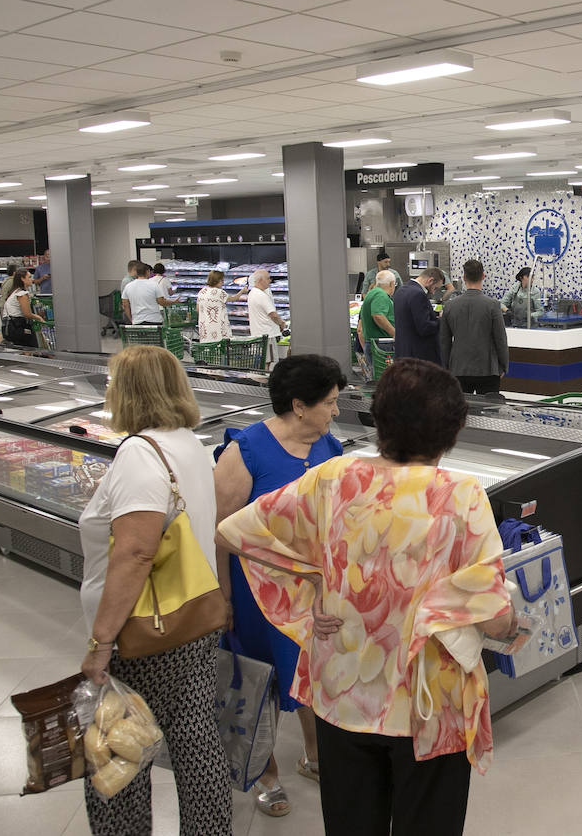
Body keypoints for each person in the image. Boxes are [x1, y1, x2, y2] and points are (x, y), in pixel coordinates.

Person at [217, 359, 517, 836]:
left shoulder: (333, 476)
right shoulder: (460, 495)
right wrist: (512, 623)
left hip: (342, 690)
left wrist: (313, 582)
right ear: (448, 431)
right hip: (429, 705)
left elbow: (236, 531)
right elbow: (496, 616)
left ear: (379, 419)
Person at [76, 345, 232, 836]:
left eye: (112, 383)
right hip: (194, 619)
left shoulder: (141, 454)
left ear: (129, 392)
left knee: (116, 752)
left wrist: (102, 643)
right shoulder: (189, 442)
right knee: (196, 739)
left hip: (145, 631)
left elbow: (136, 553)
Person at [213, 355, 346, 817]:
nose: (335, 411)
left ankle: (314, 756)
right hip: (256, 594)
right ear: (298, 405)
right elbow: (222, 531)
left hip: (310, 592)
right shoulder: (245, 451)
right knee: (261, 678)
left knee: (310, 673)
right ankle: (265, 774)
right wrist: (223, 597)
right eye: (329, 403)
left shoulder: (329, 446)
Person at [440, 259, 508, 395]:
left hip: (458, 368)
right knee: (489, 413)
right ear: (483, 276)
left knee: (461, 411)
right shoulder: (493, 305)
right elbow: (500, 339)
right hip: (488, 368)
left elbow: (444, 341)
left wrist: (446, 367)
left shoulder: (450, 306)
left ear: (464, 277)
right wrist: (503, 366)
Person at [393, 266, 445, 364]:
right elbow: (424, 327)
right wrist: (441, 320)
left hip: (403, 352)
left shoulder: (401, 291)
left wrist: (435, 314)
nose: (433, 292)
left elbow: (411, 315)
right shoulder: (418, 294)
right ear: (430, 280)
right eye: (435, 288)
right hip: (418, 356)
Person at [357, 270, 396, 378]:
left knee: (379, 379)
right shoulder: (381, 295)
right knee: (386, 379)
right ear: (392, 284)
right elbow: (378, 315)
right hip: (382, 345)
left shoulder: (372, 293)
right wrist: (394, 333)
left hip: (373, 342)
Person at [196, 269, 247, 343]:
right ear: (218, 280)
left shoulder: (202, 292)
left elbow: (198, 309)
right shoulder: (220, 293)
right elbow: (233, 299)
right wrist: (242, 291)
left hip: (205, 327)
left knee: (208, 348)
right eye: (222, 280)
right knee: (220, 346)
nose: (223, 283)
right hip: (218, 327)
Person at [248, 269, 289, 361]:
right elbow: (273, 315)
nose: (270, 281)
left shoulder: (252, 293)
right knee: (269, 362)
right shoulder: (262, 296)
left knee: (262, 361)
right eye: (267, 278)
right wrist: (282, 323)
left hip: (258, 334)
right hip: (267, 335)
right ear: (260, 280)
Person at [1, 269, 47, 346]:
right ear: (22, 279)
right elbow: (27, 314)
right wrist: (39, 318)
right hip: (18, 327)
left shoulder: (15, 292)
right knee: (31, 346)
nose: (32, 279)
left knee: (23, 349)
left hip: (9, 326)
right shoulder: (22, 294)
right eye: (29, 277)